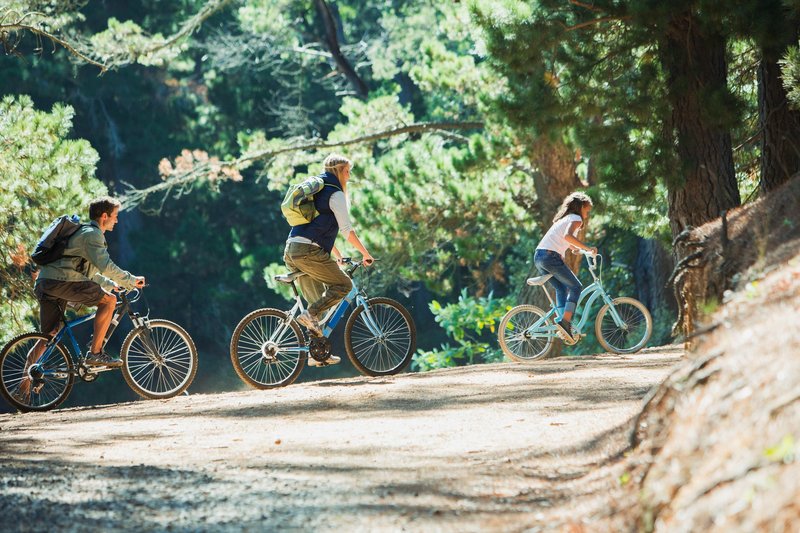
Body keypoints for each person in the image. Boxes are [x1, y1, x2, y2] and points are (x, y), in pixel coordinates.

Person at [26, 197, 145, 384]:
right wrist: (131, 280)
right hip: (61, 281)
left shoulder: (83, 233)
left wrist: (110, 284)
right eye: (115, 216)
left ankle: (22, 386)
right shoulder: (92, 235)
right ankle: (96, 353)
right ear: (104, 216)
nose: (117, 220)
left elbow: (84, 272)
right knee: (109, 301)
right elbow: (105, 265)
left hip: (47, 282)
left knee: (48, 335)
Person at [284, 154, 374, 366]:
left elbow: (315, 228)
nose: (349, 176)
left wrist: (337, 255)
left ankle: (317, 354)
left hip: (292, 250)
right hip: (307, 251)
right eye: (348, 171)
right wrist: (366, 253)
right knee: (343, 285)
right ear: (341, 171)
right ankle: (311, 315)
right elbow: (346, 230)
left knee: (317, 303)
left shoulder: (317, 191)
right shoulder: (335, 193)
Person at [534, 192, 597, 343]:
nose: (586, 215)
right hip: (550, 257)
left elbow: (564, 240)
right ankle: (565, 322)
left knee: (561, 288)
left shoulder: (564, 219)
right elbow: (568, 236)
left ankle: (563, 322)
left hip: (539, 256)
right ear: (581, 207)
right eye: (587, 211)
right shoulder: (576, 218)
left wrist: (574, 248)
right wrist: (588, 249)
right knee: (576, 287)